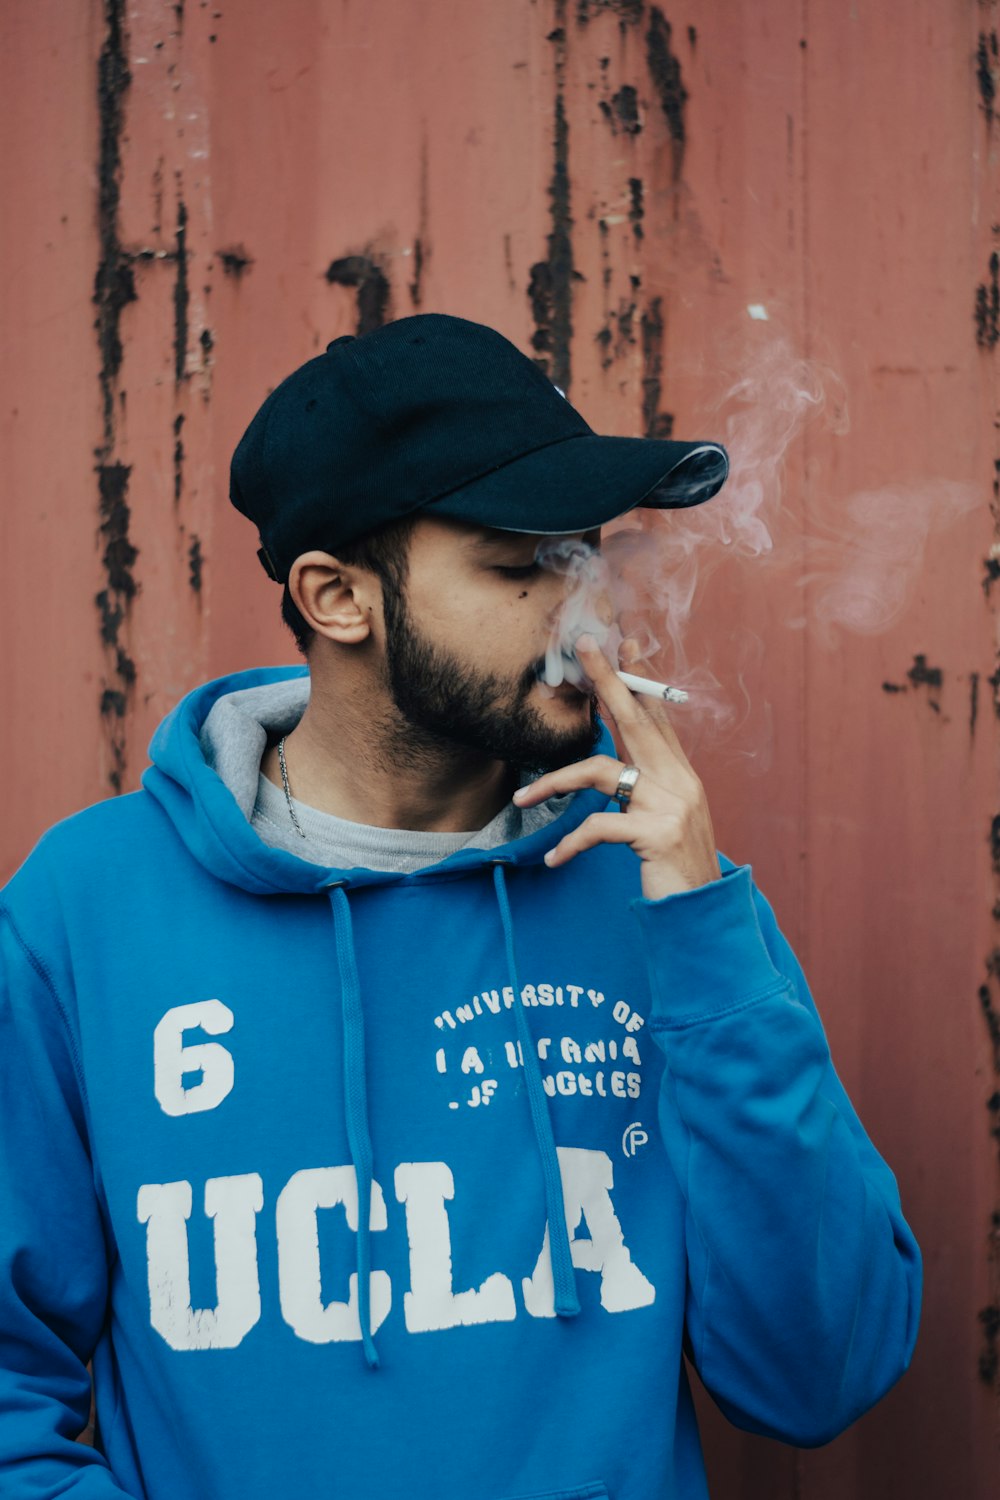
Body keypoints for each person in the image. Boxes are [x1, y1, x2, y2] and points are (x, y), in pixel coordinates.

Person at [0, 314, 921, 1500]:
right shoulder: (84, 911)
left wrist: (703, 932)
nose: (585, 612)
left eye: (583, 556)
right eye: (518, 564)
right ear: (338, 598)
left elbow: (818, 1377)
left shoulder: (663, 900)